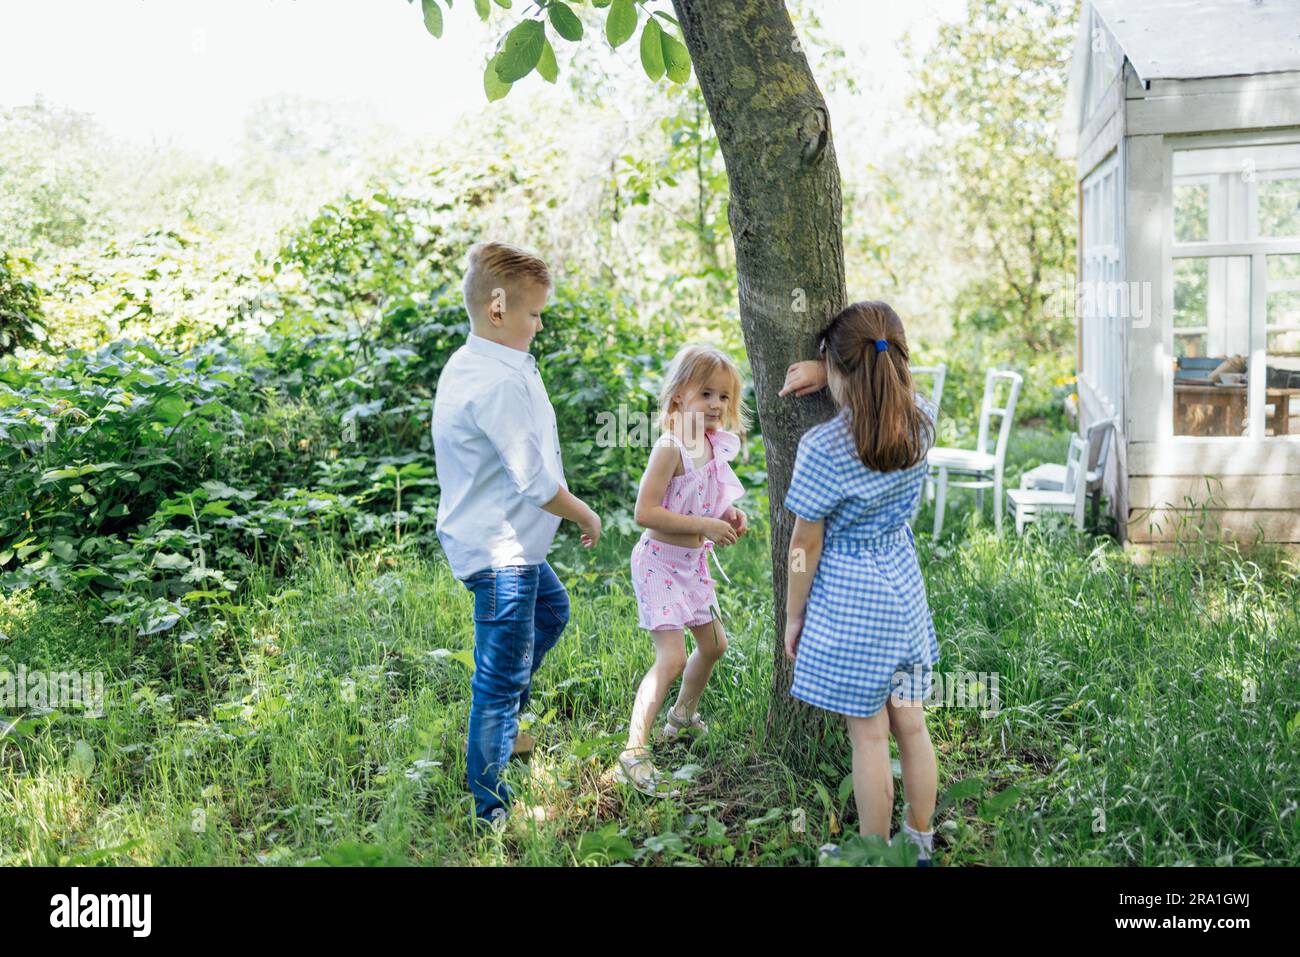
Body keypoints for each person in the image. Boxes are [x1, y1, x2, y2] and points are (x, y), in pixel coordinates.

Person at [431, 240, 602, 830]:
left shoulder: (479, 360)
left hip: (507, 545)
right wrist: (584, 514)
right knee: (499, 679)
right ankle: (490, 806)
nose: (539, 324)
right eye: (533, 314)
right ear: (498, 308)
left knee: (552, 612)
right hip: (502, 554)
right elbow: (534, 482)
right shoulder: (496, 382)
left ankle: (500, 729)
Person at [779, 300, 941, 865]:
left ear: (841, 372)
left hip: (850, 604)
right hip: (903, 590)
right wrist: (839, 367)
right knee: (913, 726)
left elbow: (804, 545)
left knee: (869, 737)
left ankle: (873, 853)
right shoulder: (922, 416)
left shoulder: (822, 448)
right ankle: (918, 842)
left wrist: (794, 615)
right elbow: (881, 369)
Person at [617, 344, 750, 795]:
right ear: (678, 398)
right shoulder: (669, 447)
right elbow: (646, 512)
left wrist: (727, 514)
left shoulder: (712, 446)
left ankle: (681, 719)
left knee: (714, 645)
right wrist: (705, 525)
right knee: (671, 657)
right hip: (660, 564)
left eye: (724, 397)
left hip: (692, 565)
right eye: (706, 394)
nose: (716, 406)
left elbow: (706, 496)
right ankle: (634, 750)